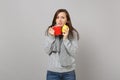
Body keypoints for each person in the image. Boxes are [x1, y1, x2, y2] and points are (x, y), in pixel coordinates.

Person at [44, 9, 79, 80]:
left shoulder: (72, 33)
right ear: (55, 20)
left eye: (62, 17)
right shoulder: (50, 31)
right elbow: (47, 51)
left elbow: (74, 52)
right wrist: (51, 37)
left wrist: (65, 39)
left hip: (68, 72)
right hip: (53, 72)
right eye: (57, 17)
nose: (59, 20)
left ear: (67, 20)